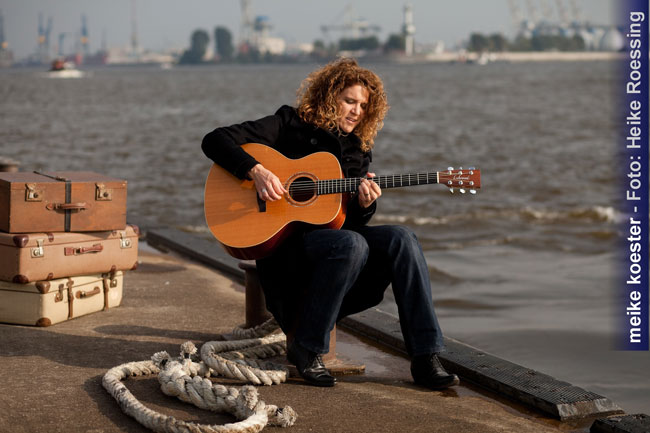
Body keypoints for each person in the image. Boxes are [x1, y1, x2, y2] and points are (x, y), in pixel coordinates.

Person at [201, 58, 459, 390]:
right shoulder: (289, 123)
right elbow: (215, 139)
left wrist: (365, 204)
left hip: (336, 254)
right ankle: (308, 349)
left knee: (402, 238)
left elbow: (347, 221)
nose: (357, 111)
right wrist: (257, 171)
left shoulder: (358, 149)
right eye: (350, 101)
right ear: (329, 96)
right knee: (352, 243)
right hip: (288, 252)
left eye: (363, 106)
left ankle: (425, 357)